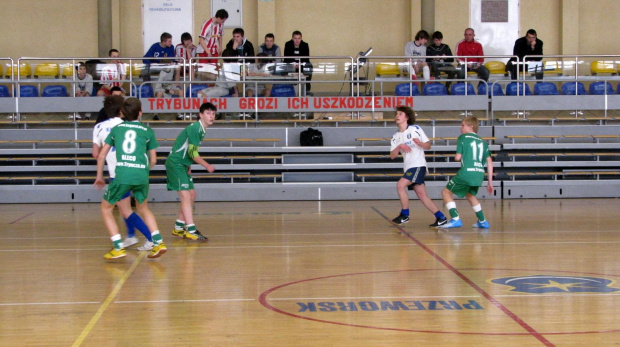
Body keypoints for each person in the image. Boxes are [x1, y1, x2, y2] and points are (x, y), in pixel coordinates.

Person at [94, 98, 166, 259]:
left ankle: (118, 247)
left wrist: (99, 176)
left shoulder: (117, 129)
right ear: (140, 113)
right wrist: (142, 170)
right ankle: (158, 242)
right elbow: (153, 160)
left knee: (106, 208)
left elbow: (101, 155)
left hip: (123, 175)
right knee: (143, 208)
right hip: (142, 174)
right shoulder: (147, 131)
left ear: (123, 113)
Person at [165, 102, 217, 241]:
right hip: (176, 163)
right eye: (208, 113)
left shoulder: (201, 129)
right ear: (200, 115)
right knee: (185, 196)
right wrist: (207, 165)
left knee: (192, 194)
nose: (211, 116)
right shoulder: (195, 128)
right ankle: (191, 230)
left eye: (213, 114)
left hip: (182, 164)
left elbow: (188, 149)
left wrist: (189, 164)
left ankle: (178, 227)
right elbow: (193, 152)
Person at [389, 106, 447, 227]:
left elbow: (428, 146)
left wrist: (420, 143)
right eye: (397, 114)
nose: (397, 116)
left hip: (418, 165)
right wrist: (400, 146)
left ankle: (405, 214)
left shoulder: (415, 129)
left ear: (407, 117)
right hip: (409, 167)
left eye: (400, 114)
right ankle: (441, 217)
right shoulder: (395, 136)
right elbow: (392, 156)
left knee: (400, 185)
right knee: (422, 195)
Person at [438, 116, 494, 229]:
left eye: (463, 125)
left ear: (471, 127)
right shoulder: (483, 142)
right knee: (470, 194)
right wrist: (490, 182)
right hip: (479, 174)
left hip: (467, 172)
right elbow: (490, 162)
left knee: (445, 192)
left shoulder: (462, 138)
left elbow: (458, 157)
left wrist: (457, 156)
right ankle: (482, 221)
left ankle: (455, 219)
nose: (461, 127)